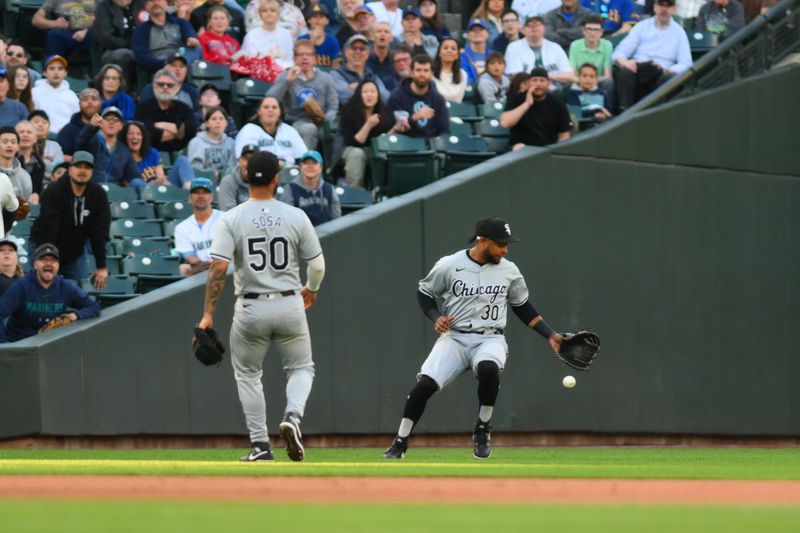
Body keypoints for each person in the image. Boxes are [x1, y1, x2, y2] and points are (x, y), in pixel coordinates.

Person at [382, 216, 563, 459]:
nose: (505, 249)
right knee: (425, 384)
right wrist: (435, 315)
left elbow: (522, 306)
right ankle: (400, 442)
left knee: (489, 368)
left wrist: (550, 335)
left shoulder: (509, 270)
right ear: (483, 241)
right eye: (500, 244)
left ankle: (482, 427)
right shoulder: (449, 264)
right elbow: (425, 292)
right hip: (455, 337)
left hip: (490, 337)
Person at [197, 150, 326, 462]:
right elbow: (318, 265)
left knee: (249, 374)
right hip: (289, 303)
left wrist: (208, 315)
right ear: (276, 179)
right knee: (301, 368)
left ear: (245, 176)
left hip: (251, 307)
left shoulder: (231, 218)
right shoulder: (295, 215)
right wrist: (312, 289)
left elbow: (217, 269)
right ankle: (293, 417)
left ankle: (260, 446)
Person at [29, 151, 111, 286]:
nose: (82, 171)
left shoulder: (98, 195)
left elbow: (100, 233)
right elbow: (50, 229)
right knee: (42, 291)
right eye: (78, 166)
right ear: (70, 170)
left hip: (75, 253)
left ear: (92, 172)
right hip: (43, 246)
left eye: (87, 167)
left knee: (81, 295)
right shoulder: (54, 190)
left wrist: (101, 266)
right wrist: (48, 261)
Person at [0, 243, 101, 343]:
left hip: (49, 343)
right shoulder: (22, 285)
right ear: (35, 264)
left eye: (53, 261)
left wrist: (74, 315)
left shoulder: (65, 286)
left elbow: (94, 307)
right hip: (20, 342)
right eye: (44, 260)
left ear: (58, 266)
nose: (48, 263)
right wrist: (5, 347)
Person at [612, 0, 692, 111]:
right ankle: (625, 112)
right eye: (661, 5)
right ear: (654, 7)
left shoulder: (679, 32)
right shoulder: (641, 26)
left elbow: (686, 63)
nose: (663, 9)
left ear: (673, 9)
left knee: (667, 77)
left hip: (662, 72)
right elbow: (619, 53)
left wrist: (667, 70)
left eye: (668, 6)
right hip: (640, 68)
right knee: (625, 71)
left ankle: (657, 116)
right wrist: (624, 62)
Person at [267, 40, 339, 152]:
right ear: (294, 59)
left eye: (309, 55)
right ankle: (306, 164)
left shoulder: (325, 78)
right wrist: (287, 82)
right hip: (296, 122)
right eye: (300, 55)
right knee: (309, 129)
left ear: (315, 59)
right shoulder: (286, 76)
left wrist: (326, 119)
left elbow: (333, 106)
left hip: (321, 121)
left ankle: (331, 167)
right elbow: (270, 99)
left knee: (335, 130)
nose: (305, 58)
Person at [339, 80, 404, 189]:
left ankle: (386, 190)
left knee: (387, 153)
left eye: (373, 91)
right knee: (357, 153)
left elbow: (383, 141)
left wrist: (395, 129)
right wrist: (368, 125)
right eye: (365, 92)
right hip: (350, 149)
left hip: (374, 150)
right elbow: (353, 142)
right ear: (359, 94)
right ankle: (357, 192)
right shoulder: (348, 111)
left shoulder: (384, 111)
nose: (369, 95)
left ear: (378, 95)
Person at [500, 66, 571, 148]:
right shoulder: (517, 98)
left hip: (548, 150)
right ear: (529, 82)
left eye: (542, 80)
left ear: (548, 83)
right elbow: (505, 123)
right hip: (520, 150)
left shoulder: (557, 102)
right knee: (519, 147)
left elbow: (564, 135)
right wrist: (526, 104)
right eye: (534, 80)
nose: (538, 84)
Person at [135, 69, 199, 154]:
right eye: (161, 84)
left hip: (180, 154)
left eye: (170, 85)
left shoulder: (185, 109)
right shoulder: (143, 108)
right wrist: (176, 131)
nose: (165, 87)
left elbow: (190, 132)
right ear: (154, 86)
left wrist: (156, 125)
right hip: (149, 155)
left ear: (176, 88)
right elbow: (144, 133)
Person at [234, 95, 308, 167]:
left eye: (274, 107)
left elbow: (302, 157)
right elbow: (244, 160)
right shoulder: (248, 130)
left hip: (289, 173)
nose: (270, 110)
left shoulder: (290, 131)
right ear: (259, 111)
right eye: (266, 107)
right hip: (260, 172)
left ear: (279, 112)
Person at [388, 54, 450, 139]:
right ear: (411, 72)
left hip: (431, 146)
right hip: (403, 146)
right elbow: (395, 128)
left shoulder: (438, 99)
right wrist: (414, 118)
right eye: (418, 70)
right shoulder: (397, 96)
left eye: (426, 70)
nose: (422, 74)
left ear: (431, 74)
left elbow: (444, 130)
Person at [132, 0, 201, 74]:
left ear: (166, 3)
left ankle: (179, 66)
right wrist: (165, 64)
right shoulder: (141, 30)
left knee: (197, 48)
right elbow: (141, 56)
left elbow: (190, 33)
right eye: (151, 1)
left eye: (159, 0)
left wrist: (191, 38)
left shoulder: (180, 22)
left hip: (180, 58)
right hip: (160, 66)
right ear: (146, 7)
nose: (156, 3)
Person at [504, 15, 575, 87]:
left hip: (555, 91)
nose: (534, 27)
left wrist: (548, 77)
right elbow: (515, 76)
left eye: (538, 24)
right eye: (529, 24)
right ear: (523, 30)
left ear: (544, 28)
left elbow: (570, 76)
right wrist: (542, 82)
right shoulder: (513, 47)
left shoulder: (555, 47)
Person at [76, 106, 140, 186]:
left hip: (114, 195)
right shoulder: (92, 141)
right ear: (100, 123)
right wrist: (91, 127)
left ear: (121, 126)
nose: (111, 122)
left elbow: (133, 177)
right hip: (91, 190)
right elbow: (80, 144)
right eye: (107, 119)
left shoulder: (124, 151)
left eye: (116, 120)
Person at [174, 177, 223, 275]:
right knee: (183, 268)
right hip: (201, 270)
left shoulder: (226, 218)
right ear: (190, 198)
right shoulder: (181, 228)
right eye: (196, 192)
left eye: (205, 192)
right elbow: (191, 258)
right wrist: (200, 264)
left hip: (228, 266)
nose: (201, 196)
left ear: (211, 197)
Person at [280, 150, 341, 226]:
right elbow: (287, 221)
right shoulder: (290, 189)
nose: (310, 166)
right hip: (301, 236)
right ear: (301, 167)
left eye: (314, 163)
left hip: (326, 235)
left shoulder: (329, 189)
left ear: (321, 167)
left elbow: (337, 219)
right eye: (306, 163)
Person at [331, 34, 391, 106]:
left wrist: (358, 87)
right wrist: (372, 91)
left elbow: (386, 98)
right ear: (346, 52)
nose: (358, 52)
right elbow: (344, 98)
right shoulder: (336, 74)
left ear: (367, 54)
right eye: (354, 48)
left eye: (362, 49)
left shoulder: (371, 76)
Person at [31, 55, 80, 134]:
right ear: (45, 72)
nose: (56, 72)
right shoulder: (34, 93)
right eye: (52, 68)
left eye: (60, 69)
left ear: (65, 73)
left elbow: (77, 121)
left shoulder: (72, 96)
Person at [240, 0, 295, 69]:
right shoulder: (251, 35)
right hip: (261, 73)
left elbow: (290, 58)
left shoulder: (286, 34)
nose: (269, 13)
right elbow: (251, 60)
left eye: (272, 10)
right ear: (260, 15)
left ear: (278, 14)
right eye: (265, 11)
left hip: (285, 73)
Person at [187, 106, 236, 181]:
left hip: (225, 183)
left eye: (221, 119)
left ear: (226, 123)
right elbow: (196, 170)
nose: (218, 122)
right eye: (214, 119)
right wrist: (212, 176)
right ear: (207, 124)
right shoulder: (196, 142)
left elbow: (232, 168)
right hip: (202, 182)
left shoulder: (231, 143)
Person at [93, 0, 141, 77]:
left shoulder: (141, 4)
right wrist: (131, 44)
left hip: (141, 47)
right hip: (113, 49)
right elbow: (106, 38)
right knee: (124, 55)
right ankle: (123, 88)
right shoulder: (104, 6)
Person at [57, 88, 103, 160]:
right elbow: (60, 157)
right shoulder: (68, 130)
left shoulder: (108, 127)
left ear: (100, 103)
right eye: (85, 99)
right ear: (79, 104)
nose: (89, 102)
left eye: (94, 99)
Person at [121, 120, 170, 185]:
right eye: (131, 133)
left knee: (182, 160)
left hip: (159, 191)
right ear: (125, 137)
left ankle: (187, 190)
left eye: (139, 134)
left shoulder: (152, 152)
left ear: (143, 138)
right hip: (140, 193)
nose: (135, 137)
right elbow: (128, 186)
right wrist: (153, 183)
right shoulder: (122, 160)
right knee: (136, 182)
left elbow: (161, 179)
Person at [302, 4, 342, 68]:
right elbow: (301, 64)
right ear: (309, 20)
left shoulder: (332, 41)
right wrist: (312, 41)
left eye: (321, 16)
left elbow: (337, 67)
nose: (318, 19)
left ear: (327, 21)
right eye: (314, 16)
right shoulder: (302, 40)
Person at [218, 143, 256, 210]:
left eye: (253, 159)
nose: (249, 163)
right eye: (246, 159)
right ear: (240, 160)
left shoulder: (266, 181)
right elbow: (228, 214)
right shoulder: (228, 181)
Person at [0, 127, 34, 202]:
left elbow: (26, 207)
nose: (9, 145)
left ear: (18, 147)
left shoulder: (25, 177)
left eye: (13, 142)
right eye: (5, 142)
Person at [29, 110, 65, 180]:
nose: (40, 124)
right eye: (36, 122)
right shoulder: (25, 144)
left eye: (44, 122)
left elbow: (58, 167)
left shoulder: (55, 146)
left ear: (49, 128)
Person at [15, 121, 46, 200]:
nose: (25, 135)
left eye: (29, 132)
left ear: (35, 138)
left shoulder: (40, 164)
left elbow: (37, 190)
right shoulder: (8, 159)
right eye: (21, 132)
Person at [433, 37, 468, 103]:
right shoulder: (430, 73)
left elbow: (459, 100)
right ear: (439, 53)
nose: (449, 50)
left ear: (457, 55)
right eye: (445, 48)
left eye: (453, 49)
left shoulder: (463, 74)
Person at [461, 19, 493, 85]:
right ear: (468, 35)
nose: (477, 32)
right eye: (473, 30)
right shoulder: (461, 56)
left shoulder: (493, 55)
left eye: (481, 29)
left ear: (487, 34)